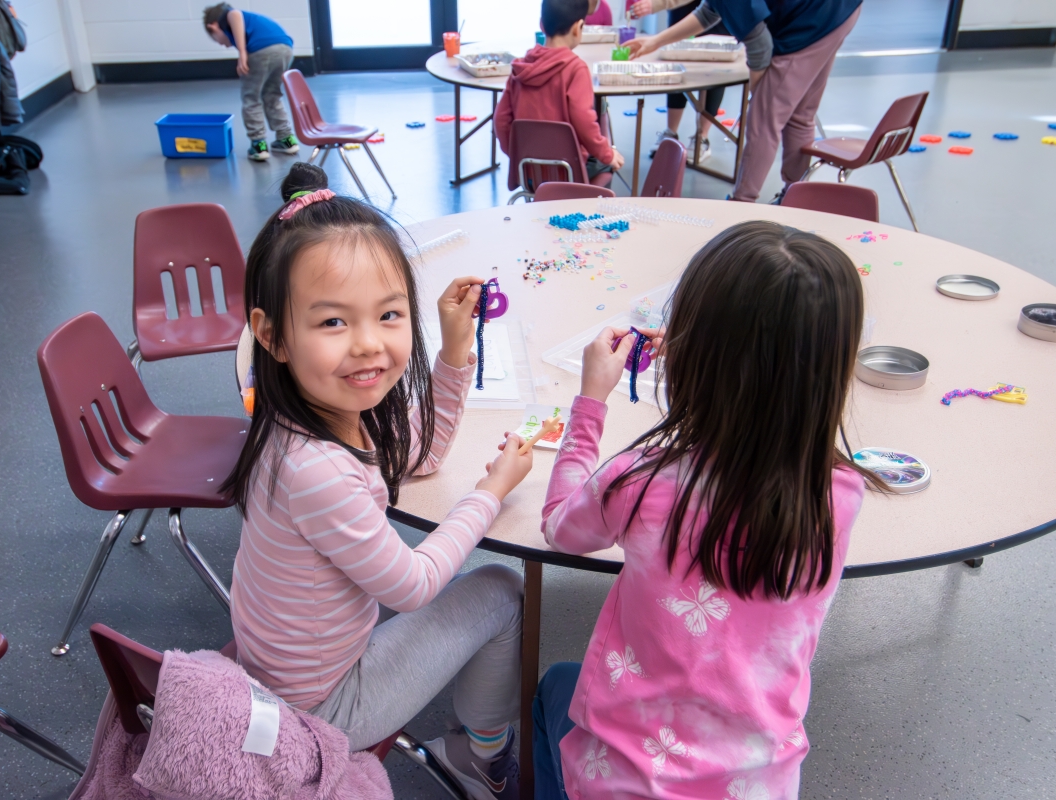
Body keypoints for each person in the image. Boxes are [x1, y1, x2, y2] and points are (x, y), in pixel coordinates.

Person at [531, 221, 880, 799]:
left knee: (552, 688)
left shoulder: (640, 480)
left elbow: (560, 529)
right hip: (758, 782)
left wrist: (590, 402)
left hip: (624, 782)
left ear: (693, 355)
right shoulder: (841, 492)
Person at [223, 162, 534, 800]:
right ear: (272, 336)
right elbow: (415, 586)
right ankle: (479, 756)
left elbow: (418, 453)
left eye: (389, 315)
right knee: (504, 587)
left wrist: (452, 351)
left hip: (283, 668)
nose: (369, 344)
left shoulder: (307, 417)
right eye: (334, 322)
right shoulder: (316, 469)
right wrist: (491, 493)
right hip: (321, 704)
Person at [626, 0, 862, 201]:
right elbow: (711, 10)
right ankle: (794, 195)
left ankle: (741, 202)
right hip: (840, 12)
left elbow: (760, 47)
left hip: (811, 22)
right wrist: (655, 41)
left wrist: (761, 95)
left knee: (763, 121)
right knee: (801, 114)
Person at [495, 0, 625, 182]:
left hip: (529, 172)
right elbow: (584, 122)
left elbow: (501, 121)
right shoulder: (575, 69)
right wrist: (607, 153)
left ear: (542, 24)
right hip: (568, 173)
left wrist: (518, 156)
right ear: (578, 28)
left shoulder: (521, 67)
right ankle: (582, 202)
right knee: (605, 163)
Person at [628, 0, 729, 161]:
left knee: (713, 67)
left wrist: (657, 5)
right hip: (680, 10)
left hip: (714, 11)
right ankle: (671, 132)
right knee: (676, 65)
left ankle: (702, 137)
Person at [203, 3, 300, 160]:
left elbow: (234, 14)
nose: (223, 45)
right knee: (272, 95)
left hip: (261, 51)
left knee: (251, 98)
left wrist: (242, 52)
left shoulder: (226, 16)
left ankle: (258, 145)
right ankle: (286, 139)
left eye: (218, 40)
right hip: (285, 48)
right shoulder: (252, 21)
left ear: (213, 26)